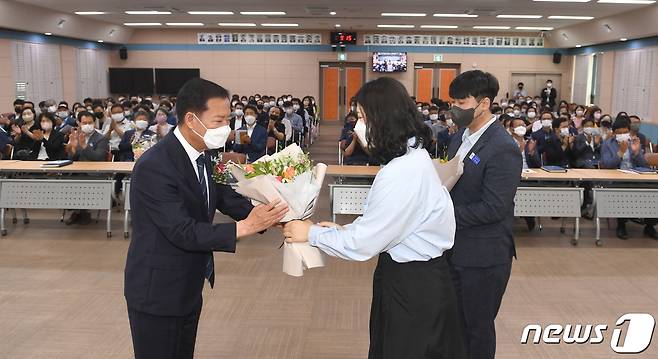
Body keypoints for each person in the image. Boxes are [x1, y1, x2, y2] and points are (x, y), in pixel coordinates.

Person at [283, 77, 466, 359]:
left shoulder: (401, 172)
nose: (359, 125)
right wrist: (343, 230)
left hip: (413, 286)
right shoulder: (410, 157)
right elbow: (388, 223)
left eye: (364, 117)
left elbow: (365, 243)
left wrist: (311, 234)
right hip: (415, 277)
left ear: (384, 119)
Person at [124, 78, 288, 359]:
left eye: (228, 119)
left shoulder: (204, 155)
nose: (226, 127)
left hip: (188, 284)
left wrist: (273, 216)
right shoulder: (155, 165)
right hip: (158, 291)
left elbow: (224, 197)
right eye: (219, 120)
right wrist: (246, 227)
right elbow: (182, 231)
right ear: (191, 119)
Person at [446, 70, 522, 359]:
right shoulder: (459, 138)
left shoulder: (503, 148)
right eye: (453, 102)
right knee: (455, 324)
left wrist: (443, 214)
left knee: (477, 329)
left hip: (484, 255)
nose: (455, 109)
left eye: (461, 103)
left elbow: (494, 207)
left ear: (484, 103)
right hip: (455, 248)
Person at [600, 116, 657, 240]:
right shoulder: (607, 144)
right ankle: (621, 225)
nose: (622, 135)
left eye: (625, 132)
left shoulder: (634, 142)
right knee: (623, 189)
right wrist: (620, 152)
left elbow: (644, 165)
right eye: (619, 133)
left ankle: (650, 225)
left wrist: (637, 152)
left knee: (654, 190)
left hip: (635, 177)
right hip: (616, 179)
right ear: (614, 134)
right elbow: (607, 165)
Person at [65, 111, 110, 225]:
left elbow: (97, 157)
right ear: (79, 123)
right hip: (77, 171)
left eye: (90, 122)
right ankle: (76, 211)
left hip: (95, 173)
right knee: (68, 181)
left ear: (94, 123)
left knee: (81, 181)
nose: (87, 125)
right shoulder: (76, 136)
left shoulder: (101, 138)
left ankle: (83, 212)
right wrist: (73, 148)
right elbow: (71, 158)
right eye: (84, 122)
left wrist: (84, 145)